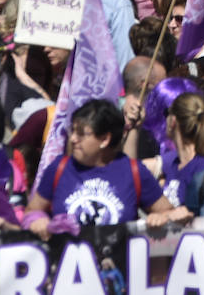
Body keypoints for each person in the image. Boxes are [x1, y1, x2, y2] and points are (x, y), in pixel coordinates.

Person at [26, 99, 186, 234]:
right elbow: (32, 211)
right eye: (72, 131)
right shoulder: (59, 168)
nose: (73, 138)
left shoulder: (134, 172)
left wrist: (162, 218)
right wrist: (37, 221)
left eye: (81, 133)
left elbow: (169, 212)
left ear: (104, 139)